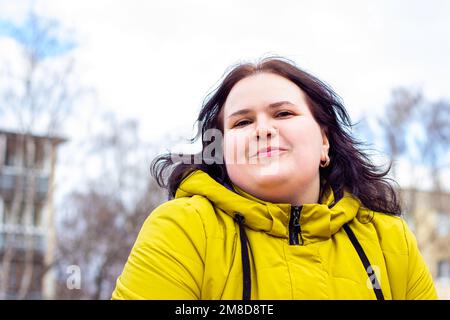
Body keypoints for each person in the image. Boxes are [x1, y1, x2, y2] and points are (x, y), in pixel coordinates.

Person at [111, 56, 437, 300]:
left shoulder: (391, 240)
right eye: (241, 123)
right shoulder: (182, 229)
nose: (263, 129)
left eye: (283, 113)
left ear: (324, 141)